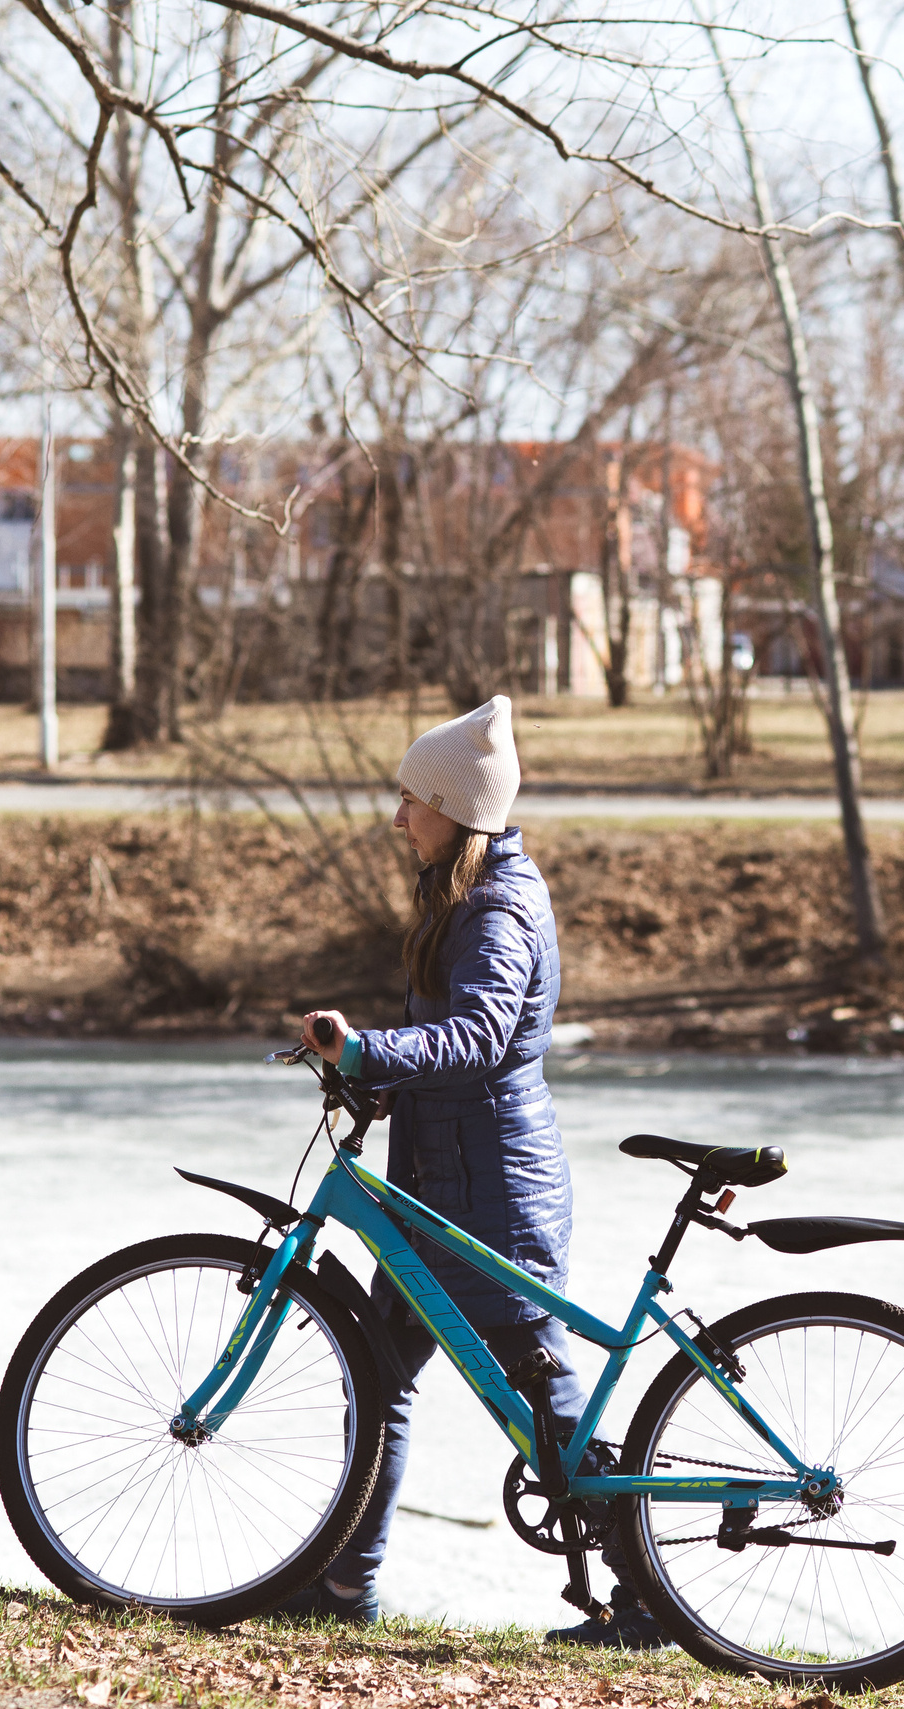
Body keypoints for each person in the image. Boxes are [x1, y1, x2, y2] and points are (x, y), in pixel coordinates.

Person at [290, 694, 662, 1649]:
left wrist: (372, 1051)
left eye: (413, 799)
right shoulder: (460, 891)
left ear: (457, 807)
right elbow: (446, 1038)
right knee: (378, 1376)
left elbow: (483, 1034)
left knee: (548, 1407)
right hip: (435, 1183)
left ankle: (648, 1592)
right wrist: (371, 1079)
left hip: (490, 1190)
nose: (399, 815)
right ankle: (341, 1585)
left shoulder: (499, 900)